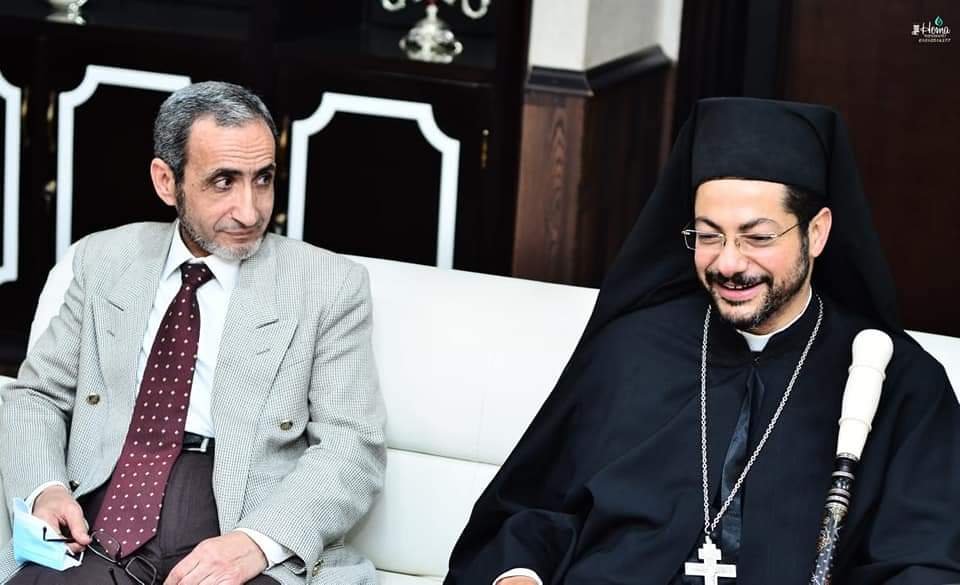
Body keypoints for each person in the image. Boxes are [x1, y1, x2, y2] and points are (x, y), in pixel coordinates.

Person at [444, 98, 960, 585]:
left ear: (816, 233)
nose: (728, 263)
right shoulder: (632, 349)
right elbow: (532, 513)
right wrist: (519, 573)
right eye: (708, 235)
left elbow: (925, 562)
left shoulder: (900, 381)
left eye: (757, 237)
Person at [0, 81, 386, 585]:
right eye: (223, 182)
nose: (250, 211)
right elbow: (36, 396)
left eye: (263, 179)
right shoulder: (105, 259)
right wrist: (45, 489)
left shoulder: (329, 285)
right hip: (98, 511)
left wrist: (257, 542)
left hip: (237, 518)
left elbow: (352, 445)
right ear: (167, 182)